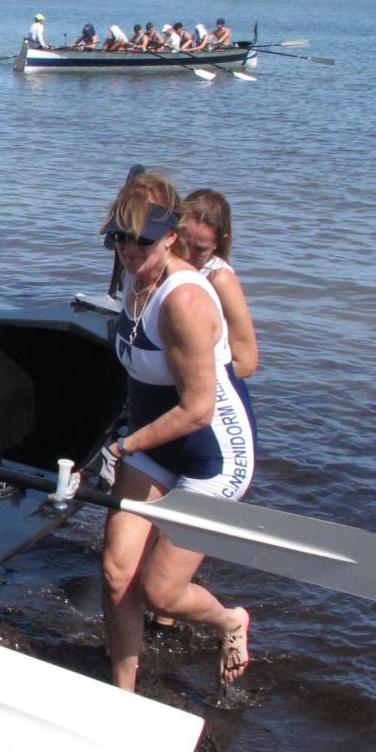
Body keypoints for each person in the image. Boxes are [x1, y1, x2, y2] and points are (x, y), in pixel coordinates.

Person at [96, 174, 255, 692]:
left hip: (212, 456)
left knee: (160, 592)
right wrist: (115, 431)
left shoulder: (184, 300)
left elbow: (197, 411)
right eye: (121, 238)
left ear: (170, 237)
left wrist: (122, 446)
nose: (129, 250)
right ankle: (123, 691)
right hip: (154, 440)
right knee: (117, 574)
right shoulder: (134, 277)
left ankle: (229, 620)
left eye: (142, 240)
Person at [179, 188, 258, 378]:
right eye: (183, 243)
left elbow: (247, 363)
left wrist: (190, 376)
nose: (187, 255)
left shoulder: (220, 279)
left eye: (199, 249)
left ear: (219, 242)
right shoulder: (169, 265)